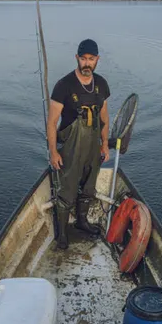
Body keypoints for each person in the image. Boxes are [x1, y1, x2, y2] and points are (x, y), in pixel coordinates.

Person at [47, 38, 111, 250]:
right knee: (67, 189)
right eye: (83, 58)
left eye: (91, 59)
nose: (86, 63)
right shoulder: (63, 85)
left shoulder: (101, 84)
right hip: (71, 148)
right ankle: (62, 234)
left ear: (97, 60)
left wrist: (104, 145)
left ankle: (83, 222)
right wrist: (54, 152)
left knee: (89, 186)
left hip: (93, 147)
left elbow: (104, 117)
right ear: (77, 58)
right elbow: (52, 122)